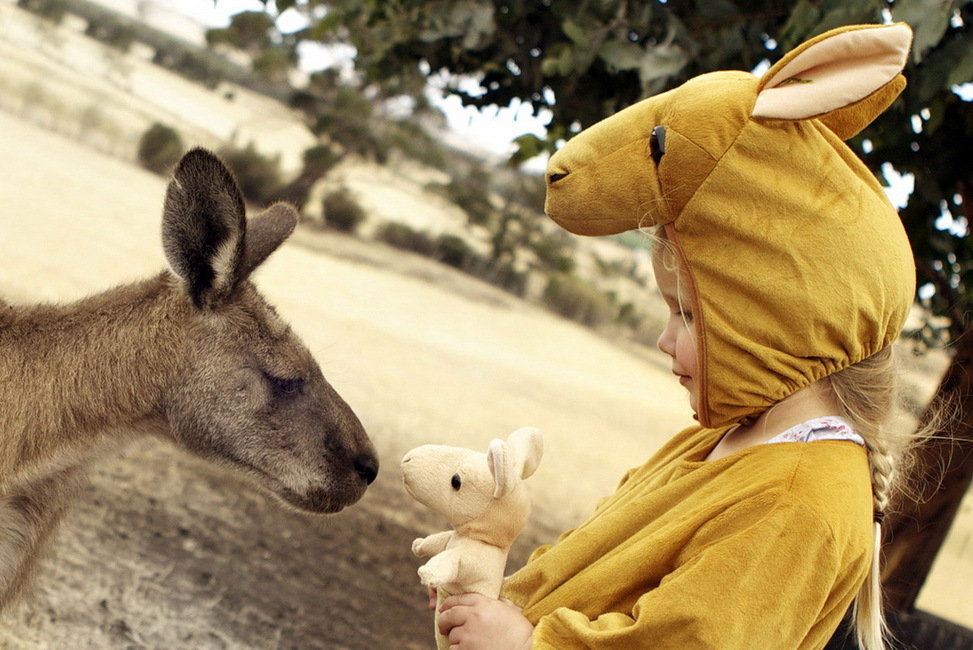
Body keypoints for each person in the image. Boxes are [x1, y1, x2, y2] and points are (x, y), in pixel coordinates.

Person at [433, 22, 924, 650]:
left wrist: (528, 645)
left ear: (776, 316)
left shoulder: (797, 501)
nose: (664, 340)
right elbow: (599, 564)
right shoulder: (721, 439)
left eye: (687, 314)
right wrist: (495, 598)